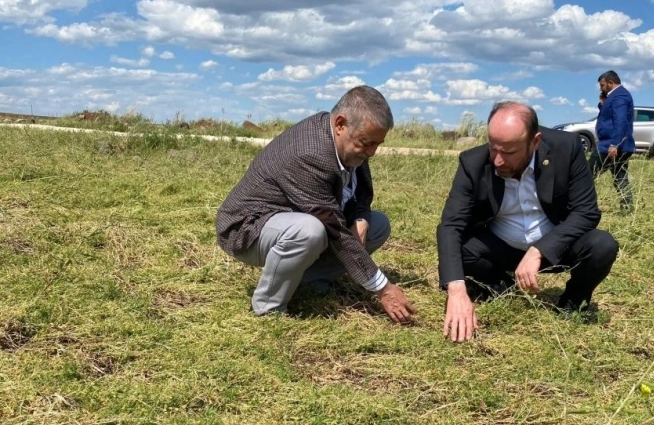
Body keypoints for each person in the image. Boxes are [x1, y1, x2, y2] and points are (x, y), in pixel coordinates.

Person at [216, 85, 416, 323]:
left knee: (378, 224)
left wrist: (361, 219)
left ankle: (309, 280)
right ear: (341, 124)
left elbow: (363, 195)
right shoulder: (309, 153)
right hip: (247, 229)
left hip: (296, 219)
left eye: (377, 144)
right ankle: (269, 308)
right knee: (309, 231)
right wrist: (382, 288)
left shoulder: (350, 144)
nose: (372, 152)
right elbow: (334, 228)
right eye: (367, 142)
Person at [437, 102, 618, 342]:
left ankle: (572, 303)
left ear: (535, 141)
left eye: (509, 152)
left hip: (554, 249)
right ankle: (502, 289)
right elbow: (451, 225)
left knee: (602, 245)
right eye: (493, 148)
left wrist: (540, 250)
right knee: (461, 248)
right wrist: (456, 290)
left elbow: (586, 212)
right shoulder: (473, 163)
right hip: (501, 248)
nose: (498, 160)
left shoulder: (566, 148)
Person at [590, 70, 635, 210]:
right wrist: (602, 104)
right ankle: (627, 207)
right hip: (618, 145)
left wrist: (614, 144)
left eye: (602, 85)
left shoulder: (619, 97)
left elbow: (620, 121)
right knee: (620, 176)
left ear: (610, 83)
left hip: (610, 145)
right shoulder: (615, 97)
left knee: (586, 175)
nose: (600, 88)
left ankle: (583, 206)